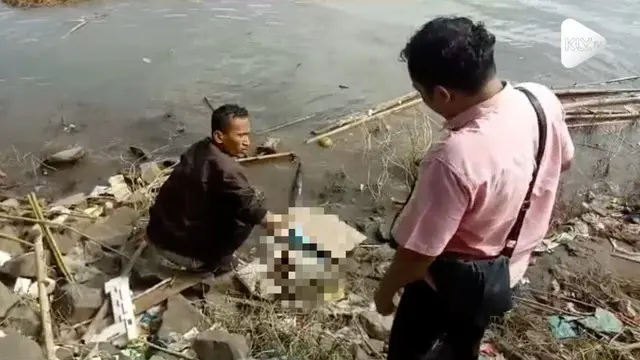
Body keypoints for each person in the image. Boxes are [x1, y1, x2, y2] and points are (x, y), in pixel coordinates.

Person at [374, 16, 574, 359]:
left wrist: (385, 292)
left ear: (442, 94)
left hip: (448, 285)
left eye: (422, 94)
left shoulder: (454, 156)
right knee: (464, 345)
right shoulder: (540, 100)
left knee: (409, 352)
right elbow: (564, 160)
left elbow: (419, 255)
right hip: (504, 274)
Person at [146, 104, 276, 274]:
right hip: (181, 251)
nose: (247, 142)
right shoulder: (229, 171)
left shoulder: (199, 148)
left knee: (244, 200)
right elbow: (258, 214)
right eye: (240, 135)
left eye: (248, 135)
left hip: (157, 234)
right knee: (254, 203)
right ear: (219, 136)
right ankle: (214, 262)